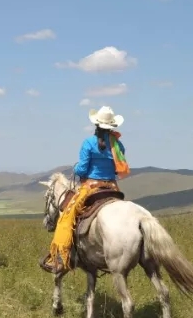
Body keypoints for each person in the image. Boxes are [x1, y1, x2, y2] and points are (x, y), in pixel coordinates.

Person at [43, 105, 129, 274]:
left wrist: (76, 170)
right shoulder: (118, 145)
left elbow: (82, 170)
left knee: (66, 217)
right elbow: (119, 169)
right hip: (112, 187)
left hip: (91, 187)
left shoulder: (88, 143)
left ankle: (59, 257)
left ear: (96, 125)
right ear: (112, 126)